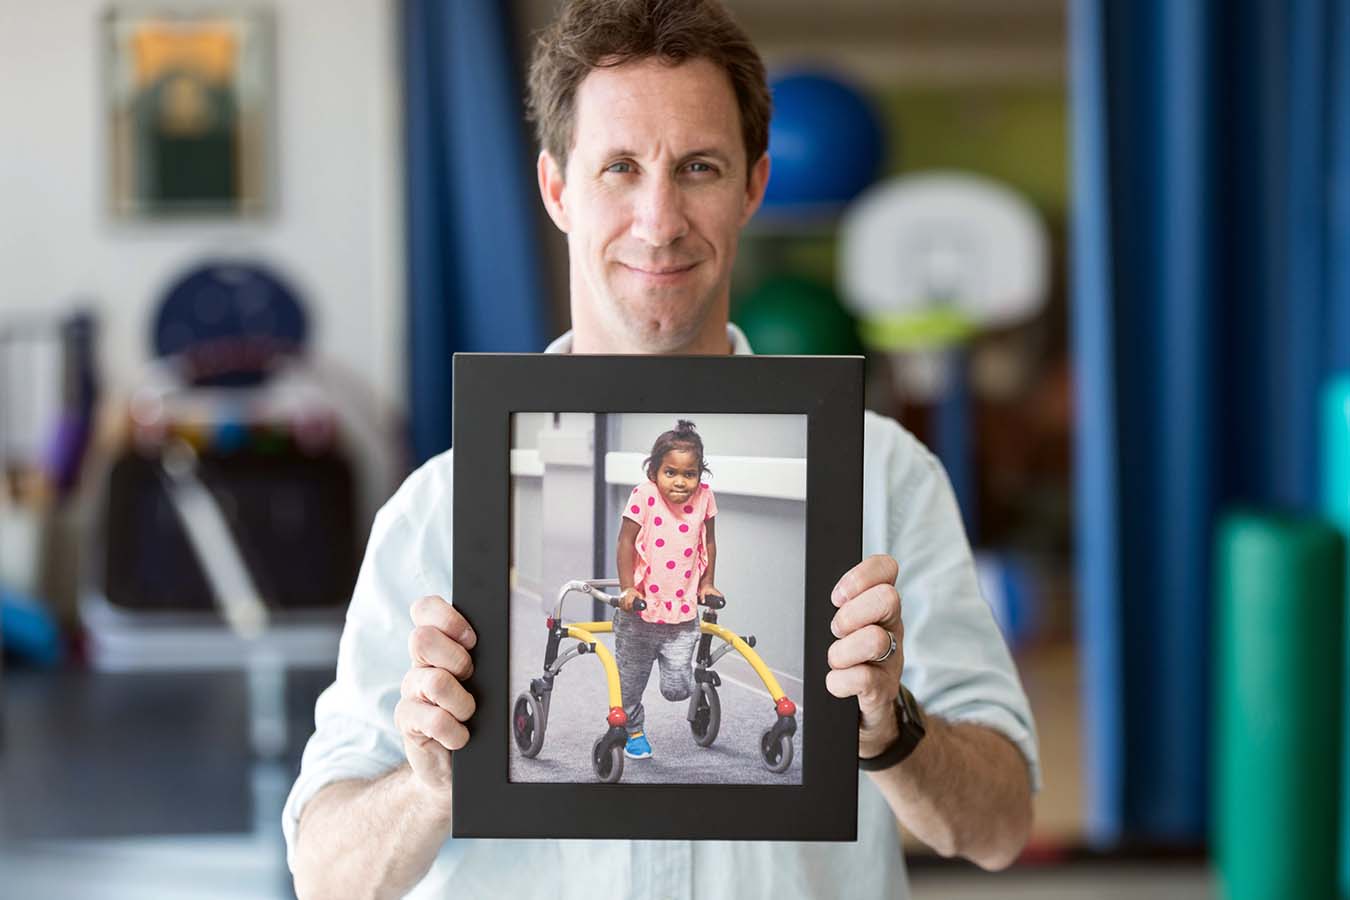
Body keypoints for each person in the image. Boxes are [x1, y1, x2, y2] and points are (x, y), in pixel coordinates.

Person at [286, 1, 1040, 897]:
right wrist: (429, 788)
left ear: (754, 185)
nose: (659, 219)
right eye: (619, 168)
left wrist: (892, 733)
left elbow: (999, 828)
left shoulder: (885, 476)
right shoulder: (436, 508)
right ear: (557, 188)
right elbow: (324, 873)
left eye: (699, 167)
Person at [614, 419, 722, 759]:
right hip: (639, 615)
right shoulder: (644, 495)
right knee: (629, 685)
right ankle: (633, 732)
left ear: (699, 475)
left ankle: (687, 691)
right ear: (654, 472)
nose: (680, 481)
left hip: (681, 615)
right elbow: (625, 543)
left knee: (677, 689)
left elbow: (710, 542)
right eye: (670, 472)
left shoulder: (705, 499)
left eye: (689, 474)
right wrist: (627, 589)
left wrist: (707, 582)